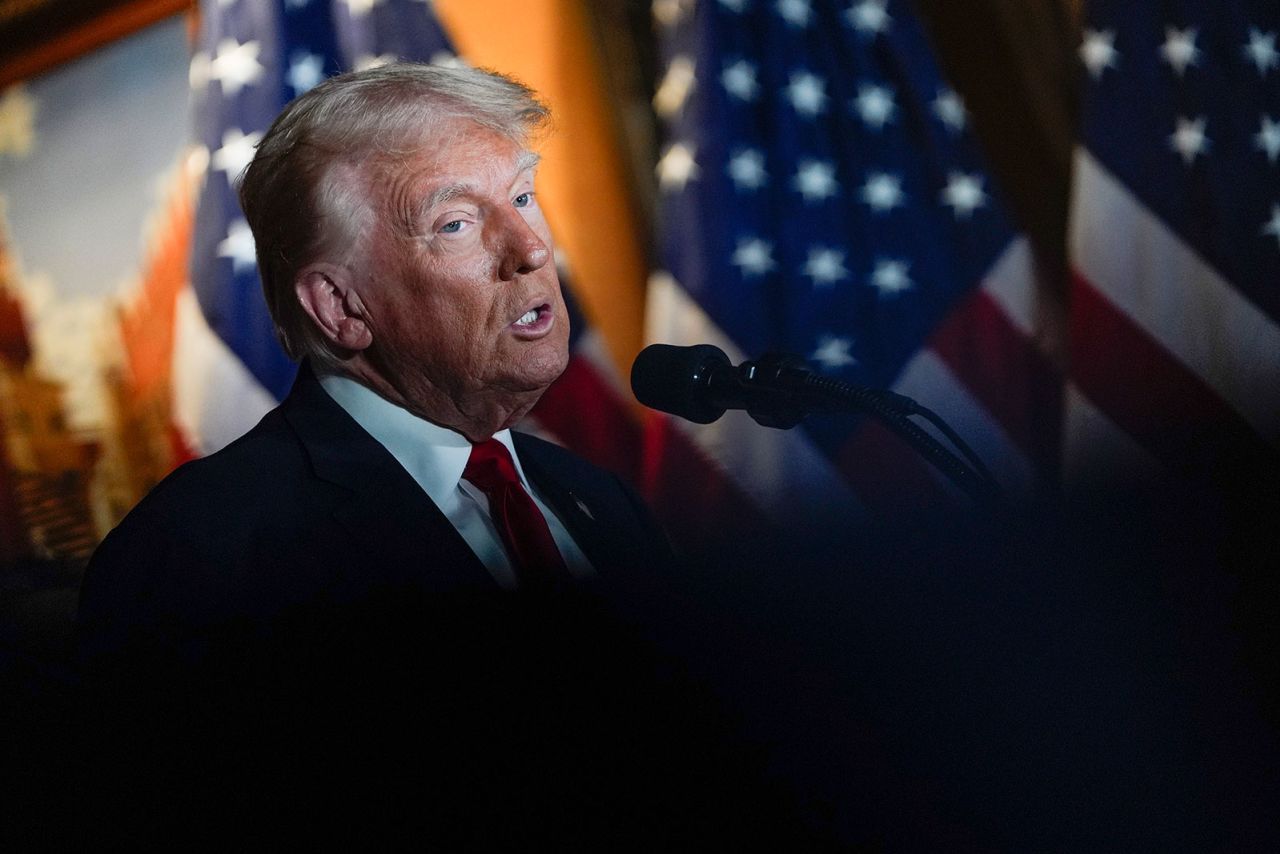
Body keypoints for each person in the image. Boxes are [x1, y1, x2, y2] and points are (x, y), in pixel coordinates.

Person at [74, 63, 814, 848]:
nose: (531, 250)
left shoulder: (596, 500)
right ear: (341, 306)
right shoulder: (206, 556)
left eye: (523, 197)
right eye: (457, 224)